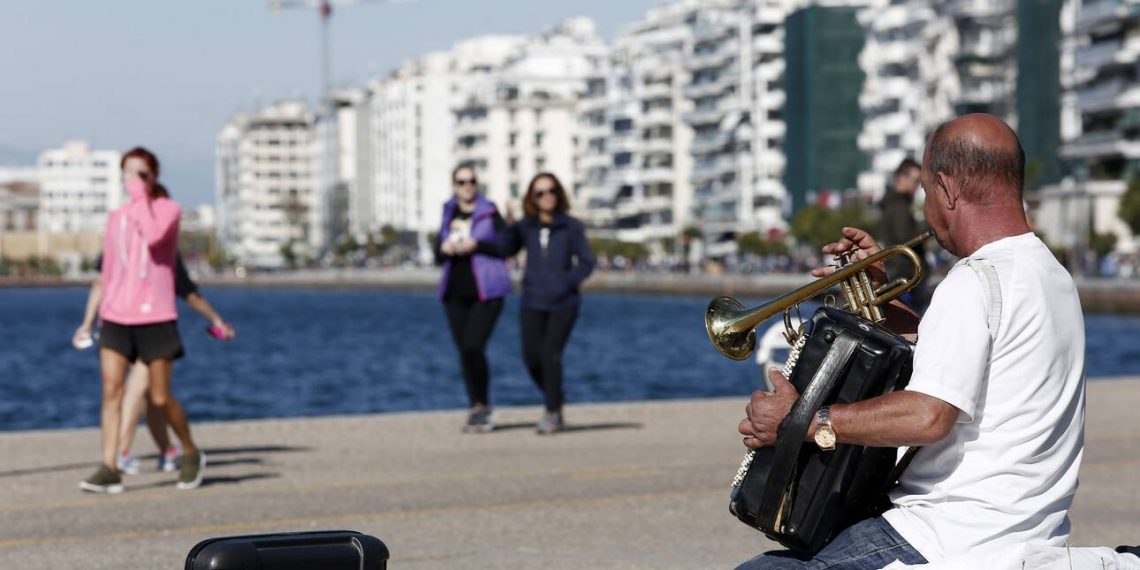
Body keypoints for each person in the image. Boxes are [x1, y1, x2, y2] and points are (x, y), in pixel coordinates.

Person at [736, 114, 1086, 568]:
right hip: (1022, 534)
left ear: (947, 188)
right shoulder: (1050, 275)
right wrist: (881, 298)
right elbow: (974, 358)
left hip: (946, 538)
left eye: (925, 191)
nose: (925, 206)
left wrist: (801, 419)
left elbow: (929, 415)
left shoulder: (974, 280)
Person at [79, 147, 206, 494]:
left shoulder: (168, 211)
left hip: (156, 316)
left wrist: (140, 199)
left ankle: (190, 451)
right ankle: (110, 466)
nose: (133, 181)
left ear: (154, 177)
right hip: (116, 317)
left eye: (141, 175)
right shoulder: (116, 218)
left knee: (161, 399)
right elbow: (106, 273)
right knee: (111, 391)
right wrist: (89, 320)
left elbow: (152, 237)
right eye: (127, 175)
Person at [74, 249, 234, 474]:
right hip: (148, 327)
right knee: (140, 391)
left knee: (148, 395)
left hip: (119, 327)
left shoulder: (119, 242)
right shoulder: (161, 250)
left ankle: (165, 451)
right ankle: (122, 453)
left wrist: (87, 323)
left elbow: (100, 282)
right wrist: (217, 320)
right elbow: (190, 294)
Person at [501, 173, 595, 434]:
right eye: (540, 192)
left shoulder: (571, 226)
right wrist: (508, 226)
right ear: (532, 197)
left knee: (550, 355)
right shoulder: (525, 226)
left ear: (559, 193)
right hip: (532, 301)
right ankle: (556, 397)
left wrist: (566, 282)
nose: (547, 196)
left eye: (551, 190)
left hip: (564, 303)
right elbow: (505, 250)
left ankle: (552, 412)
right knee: (531, 357)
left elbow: (587, 262)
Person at [435, 165, 512, 433]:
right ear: (454, 185)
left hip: (487, 291)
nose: (467, 186)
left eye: (472, 181)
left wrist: (477, 245)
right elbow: (437, 253)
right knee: (465, 352)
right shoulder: (447, 211)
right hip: (454, 293)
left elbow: (506, 246)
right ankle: (475, 407)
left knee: (473, 345)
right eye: (461, 181)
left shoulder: (489, 211)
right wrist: (444, 248)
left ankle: (484, 406)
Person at [880, 157, 930, 310]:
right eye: (915, 180)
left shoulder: (896, 203)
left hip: (903, 278)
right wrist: (931, 224)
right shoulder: (898, 205)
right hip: (905, 278)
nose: (918, 186)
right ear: (901, 177)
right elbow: (906, 238)